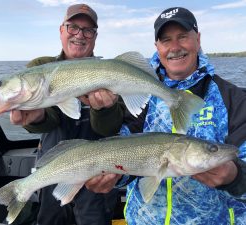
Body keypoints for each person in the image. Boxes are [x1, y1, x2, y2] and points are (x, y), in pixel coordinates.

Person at [86, 7, 246, 225]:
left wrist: (234, 177)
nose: (175, 47)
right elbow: (124, 156)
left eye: (182, 37)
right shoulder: (139, 96)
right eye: (166, 40)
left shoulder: (234, 98)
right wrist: (112, 177)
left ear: (198, 39)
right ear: (157, 47)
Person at [10, 4, 123, 225]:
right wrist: (34, 118)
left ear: (95, 37)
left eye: (88, 30)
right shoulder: (41, 67)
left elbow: (111, 129)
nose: (79, 35)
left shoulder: (110, 73)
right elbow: (46, 121)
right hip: (54, 167)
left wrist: (104, 110)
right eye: (73, 27)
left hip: (95, 173)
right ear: (61, 30)